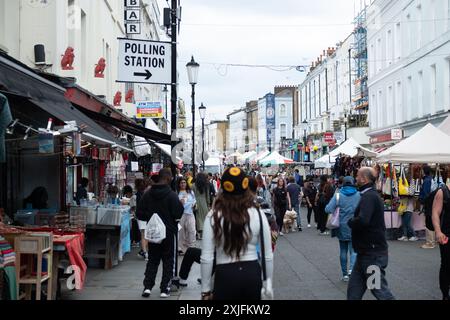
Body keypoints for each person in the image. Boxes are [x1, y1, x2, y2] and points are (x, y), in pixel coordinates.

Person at [200, 167, 273, 300]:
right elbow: (267, 255)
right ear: (246, 187)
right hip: (251, 273)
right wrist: (268, 283)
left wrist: (205, 290)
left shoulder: (213, 215)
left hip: (225, 275)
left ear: (223, 187)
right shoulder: (257, 213)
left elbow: (207, 257)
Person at [347, 167, 395, 300]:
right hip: (365, 253)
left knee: (379, 290)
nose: (355, 178)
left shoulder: (369, 196)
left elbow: (363, 220)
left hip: (371, 254)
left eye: (357, 176)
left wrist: (351, 222)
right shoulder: (370, 195)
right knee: (353, 293)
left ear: (363, 179)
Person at [137, 169, 184, 298]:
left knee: (153, 260)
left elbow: (139, 213)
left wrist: (151, 218)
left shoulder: (148, 194)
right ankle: (165, 288)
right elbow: (178, 213)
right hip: (168, 232)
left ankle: (147, 287)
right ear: (168, 178)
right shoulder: (172, 195)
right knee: (168, 260)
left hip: (153, 233)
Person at [325, 176, 361, 282]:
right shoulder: (359, 195)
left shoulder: (338, 195)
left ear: (343, 184)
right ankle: (352, 270)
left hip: (341, 226)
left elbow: (327, 209)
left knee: (343, 250)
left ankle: (345, 274)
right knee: (353, 250)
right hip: (355, 225)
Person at [431, 184, 450, 300]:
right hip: (446, 235)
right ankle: (445, 294)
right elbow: (435, 213)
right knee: (447, 265)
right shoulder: (443, 192)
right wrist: (438, 231)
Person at [177, 178, 197, 254]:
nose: (183, 184)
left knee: (192, 230)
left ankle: (191, 247)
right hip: (181, 214)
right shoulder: (177, 193)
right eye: (181, 183)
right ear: (179, 184)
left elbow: (195, 201)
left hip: (190, 213)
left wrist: (194, 205)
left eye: (184, 182)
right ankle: (182, 248)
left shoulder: (191, 192)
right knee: (182, 232)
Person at [420, 165, 436, 249]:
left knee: (429, 222)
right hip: (432, 203)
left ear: (424, 171)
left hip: (429, 203)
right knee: (432, 221)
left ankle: (430, 242)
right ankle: (432, 241)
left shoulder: (426, 180)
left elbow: (426, 194)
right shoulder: (431, 179)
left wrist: (424, 202)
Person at [135, 179, 150, 260]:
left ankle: (143, 251)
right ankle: (144, 251)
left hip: (141, 217)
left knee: (144, 234)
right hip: (146, 216)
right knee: (146, 235)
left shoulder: (138, 194)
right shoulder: (147, 194)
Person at [192, 173, 211, 240]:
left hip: (196, 202)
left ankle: (198, 234)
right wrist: (208, 204)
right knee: (204, 218)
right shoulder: (206, 185)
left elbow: (192, 195)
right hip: (204, 202)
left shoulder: (193, 185)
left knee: (198, 218)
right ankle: (203, 234)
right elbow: (208, 196)